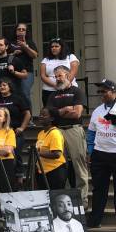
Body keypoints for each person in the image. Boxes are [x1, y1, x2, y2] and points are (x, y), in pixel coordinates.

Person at [46, 65, 89, 207]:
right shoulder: (53, 95)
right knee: (59, 166)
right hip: (57, 131)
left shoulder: (77, 92)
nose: (57, 79)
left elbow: (77, 113)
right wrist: (65, 109)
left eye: (60, 75)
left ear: (68, 75)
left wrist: (59, 112)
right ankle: (61, 202)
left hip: (74, 130)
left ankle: (82, 201)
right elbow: (49, 113)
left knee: (79, 165)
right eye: (55, 76)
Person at [86, 78, 116, 228]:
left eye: (104, 91)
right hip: (99, 154)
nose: (101, 94)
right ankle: (95, 220)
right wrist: (90, 152)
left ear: (114, 92)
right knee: (99, 189)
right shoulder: (98, 110)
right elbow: (91, 132)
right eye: (99, 91)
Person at [0, 78, 31, 184]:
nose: (1, 87)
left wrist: (22, 127)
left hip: (15, 131)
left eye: (4, 85)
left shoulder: (18, 98)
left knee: (15, 154)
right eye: (0, 86)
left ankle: (18, 177)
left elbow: (27, 113)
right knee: (1, 155)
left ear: (10, 86)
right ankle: (4, 176)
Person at [40, 38, 80, 106]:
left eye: (56, 46)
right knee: (50, 112)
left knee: (67, 111)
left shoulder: (71, 57)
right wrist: (55, 85)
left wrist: (64, 85)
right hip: (49, 90)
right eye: (52, 47)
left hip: (68, 90)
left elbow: (73, 72)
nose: (54, 48)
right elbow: (43, 76)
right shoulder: (46, 60)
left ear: (62, 47)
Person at [8, 23, 38, 113]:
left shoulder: (30, 42)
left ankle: (29, 118)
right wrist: (13, 53)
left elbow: (35, 55)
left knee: (25, 93)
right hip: (13, 72)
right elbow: (5, 56)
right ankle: (18, 117)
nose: (21, 31)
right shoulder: (11, 43)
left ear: (26, 32)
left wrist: (25, 47)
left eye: (23, 29)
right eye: (19, 29)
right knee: (13, 94)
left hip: (27, 72)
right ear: (16, 31)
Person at [35, 108, 67, 190]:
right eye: (40, 114)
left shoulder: (55, 133)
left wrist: (38, 153)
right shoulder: (41, 133)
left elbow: (57, 154)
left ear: (52, 118)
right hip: (42, 171)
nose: (40, 117)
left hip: (55, 172)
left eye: (44, 115)